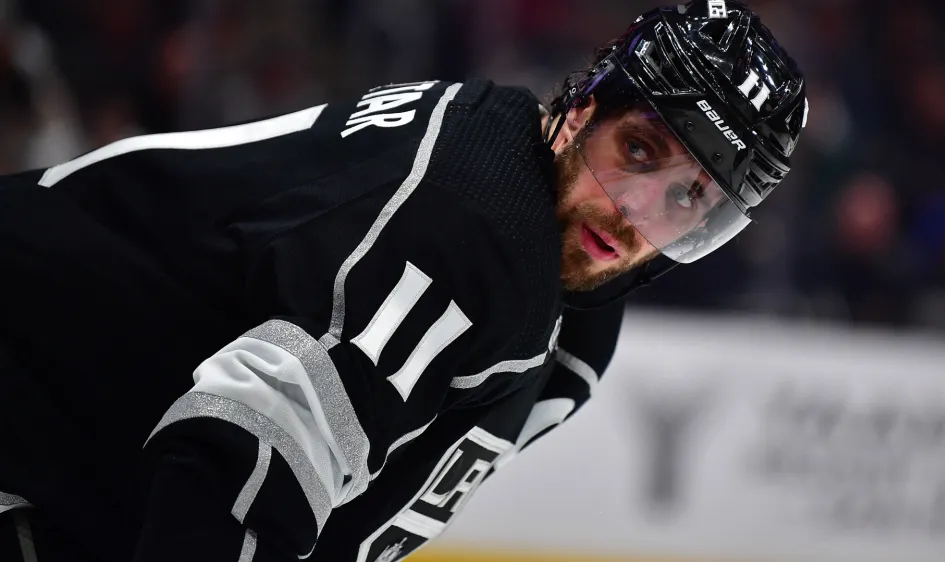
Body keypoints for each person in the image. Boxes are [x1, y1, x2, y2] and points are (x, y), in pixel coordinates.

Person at [0, 1, 807, 561]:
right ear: (585, 106)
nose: (635, 211)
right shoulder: (480, 230)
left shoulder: (576, 313)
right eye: (638, 149)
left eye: (687, 199)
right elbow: (245, 452)